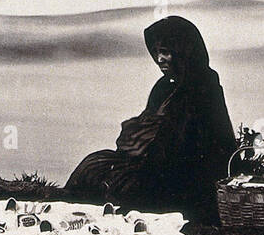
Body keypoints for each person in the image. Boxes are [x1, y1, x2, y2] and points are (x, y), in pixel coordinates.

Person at [64, 16, 235, 222]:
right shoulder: (164, 86)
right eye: (156, 52)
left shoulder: (204, 85)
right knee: (93, 165)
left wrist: (150, 146)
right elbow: (147, 124)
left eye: (166, 52)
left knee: (131, 189)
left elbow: (202, 142)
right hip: (151, 161)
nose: (159, 59)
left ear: (183, 52)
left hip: (185, 172)